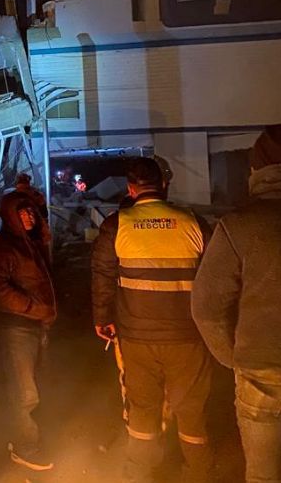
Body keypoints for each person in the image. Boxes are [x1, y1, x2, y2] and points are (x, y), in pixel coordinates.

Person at [92, 157, 211, 483]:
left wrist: (103, 319)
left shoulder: (117, 224)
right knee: (191, 411)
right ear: (164, 185)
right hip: (188, 337)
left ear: (131, 189)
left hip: (136, 338)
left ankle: (140, 475)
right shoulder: (194, 222)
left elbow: (103, 275)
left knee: (143, 408)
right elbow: (215, 281)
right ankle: (198, 475)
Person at [192, 125, 281, 483]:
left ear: (256, 171)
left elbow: (206, 308)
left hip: (260, 373)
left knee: (263, 474)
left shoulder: (239, 227)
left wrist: (233, 357)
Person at [0, 191, 56, 472]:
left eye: (30, 212)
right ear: (10, 216)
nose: (28, 216)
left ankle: (32, 436)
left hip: (34, 326)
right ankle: (24, 446)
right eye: (22, 212)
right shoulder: (4, 247)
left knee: (33, 387)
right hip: (17, 328)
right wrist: (33, 308)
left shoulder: (32, 244)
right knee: (24, 392)